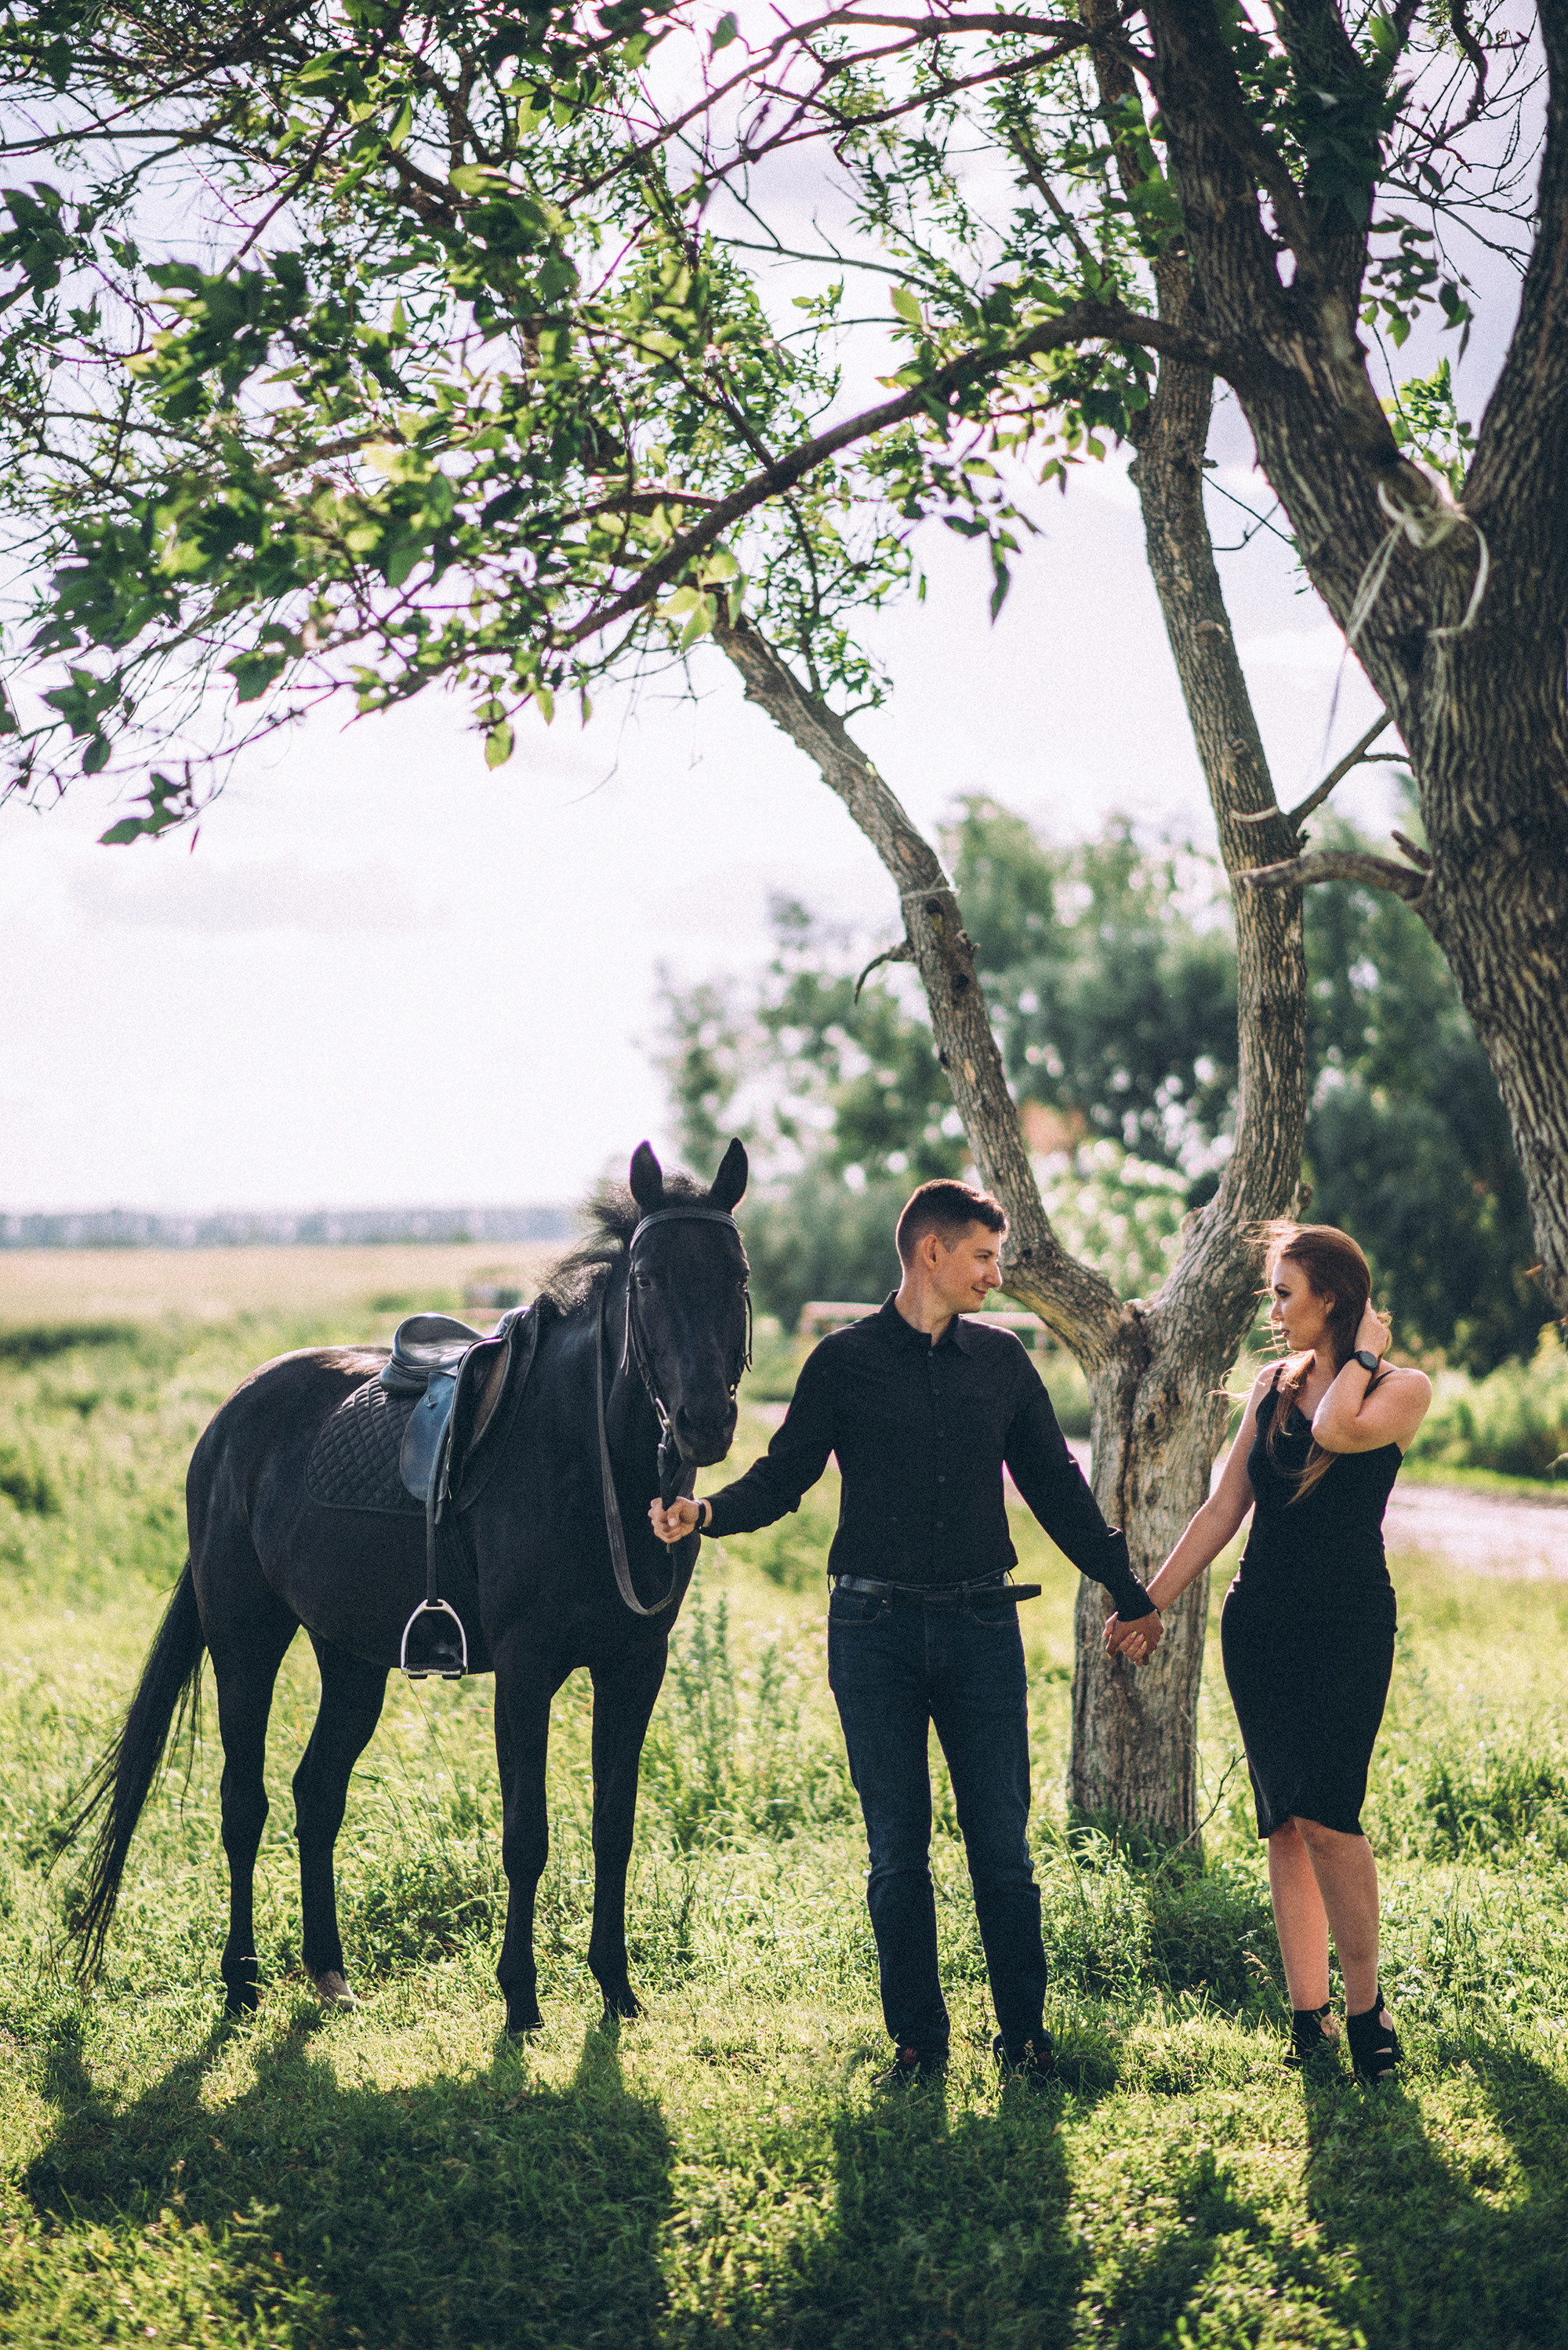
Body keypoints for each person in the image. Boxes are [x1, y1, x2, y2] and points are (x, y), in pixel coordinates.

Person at [649, 1178, 1163, 2091]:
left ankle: (1024, 2040)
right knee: (897, 1852)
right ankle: (919, 2046)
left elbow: (1056, 1488)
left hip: (980, 1629)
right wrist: (707, 1513)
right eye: (982, 1257)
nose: (994, 1277)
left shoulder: (1001, 1363)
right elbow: (784, 1477)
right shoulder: (842, 1362)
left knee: (1002, 1850)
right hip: (871, 1633)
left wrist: (1128, 1591)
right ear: (931, 1252)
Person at [1105, 1221, 1431, 2086]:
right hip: (1261, 1625)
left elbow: (1336, 1430)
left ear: (1332, 1297)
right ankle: (1306, 2017)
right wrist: (1148, 1601)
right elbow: (1222, 1508)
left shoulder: (1401, 1389)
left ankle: (1365, 2010)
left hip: (1347, 1625)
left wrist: (1362, 1354)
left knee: (1330, 1818)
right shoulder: (1269, 1386)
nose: (1273, 1311)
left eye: (1284, 1294)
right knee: (1284, 1822)